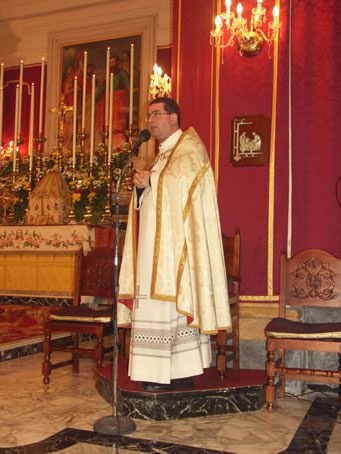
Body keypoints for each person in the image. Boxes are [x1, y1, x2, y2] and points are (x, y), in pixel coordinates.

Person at [118, 97, 231, 391]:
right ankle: (158, 371)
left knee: (170, 308)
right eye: (148, 116)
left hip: (176, 251)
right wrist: (143, 189)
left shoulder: (189, 149)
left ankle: (178, 372)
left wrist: (152, 182)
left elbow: (181, 190)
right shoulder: (162, 155)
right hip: (153, 247)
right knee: (153, 305)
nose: (151, 121)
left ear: (174, 118)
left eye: (157, 114)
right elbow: (156, 195)